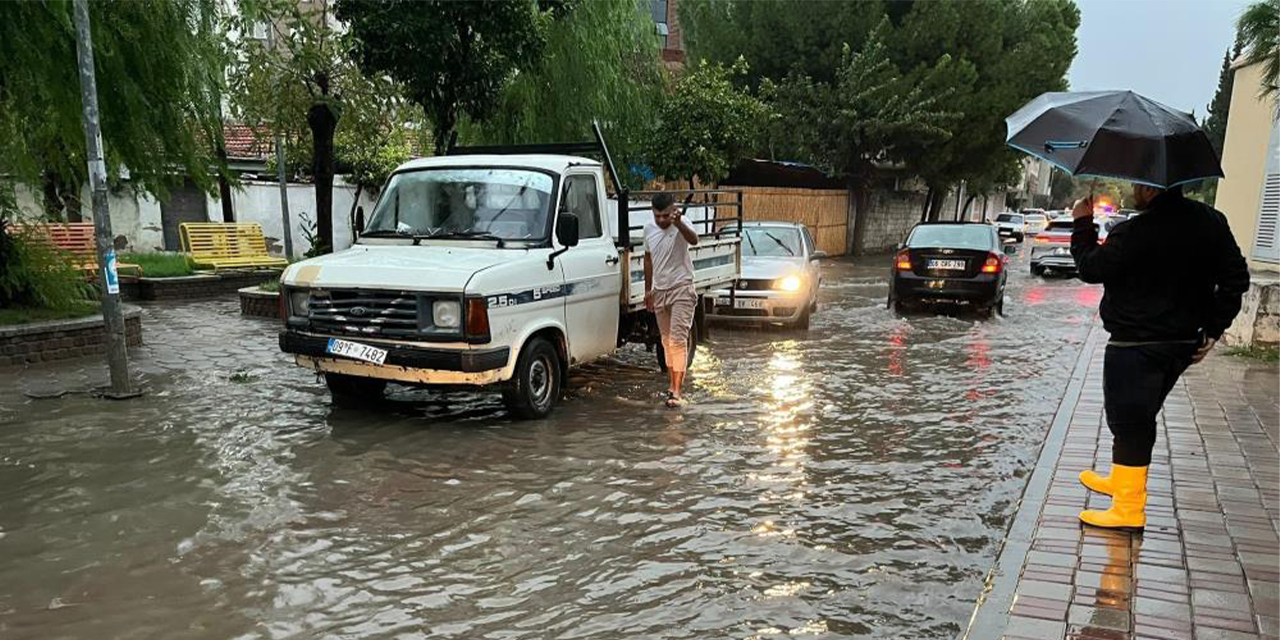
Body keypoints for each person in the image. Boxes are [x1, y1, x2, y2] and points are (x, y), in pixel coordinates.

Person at [1070, 183, 1250, 530]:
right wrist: (1213, 330)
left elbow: (1091, 268)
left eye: (1139, 184)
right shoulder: (1212, 222)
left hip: (1135, 344)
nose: (1136, 189)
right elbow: (1236, 280)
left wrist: (1082, 222)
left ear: (1151, 188)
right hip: (1182, 342)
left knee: (1130, 422)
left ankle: (1128, 509)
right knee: (1140, 416)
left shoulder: (1136, 231)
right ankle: (1125, 479)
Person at [643, 192, 699, 408]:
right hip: (660, 290)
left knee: (677, 339)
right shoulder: (648, 228)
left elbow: (694, 240)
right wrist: (648, 290)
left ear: (673, 210)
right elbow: (648, 259)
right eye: (657, 216)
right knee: (666, 341)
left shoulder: (682, 223)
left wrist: (678, 224)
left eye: (665, 216)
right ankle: (671, 385)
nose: (661, 220)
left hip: (682, 288)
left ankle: (677, 391)